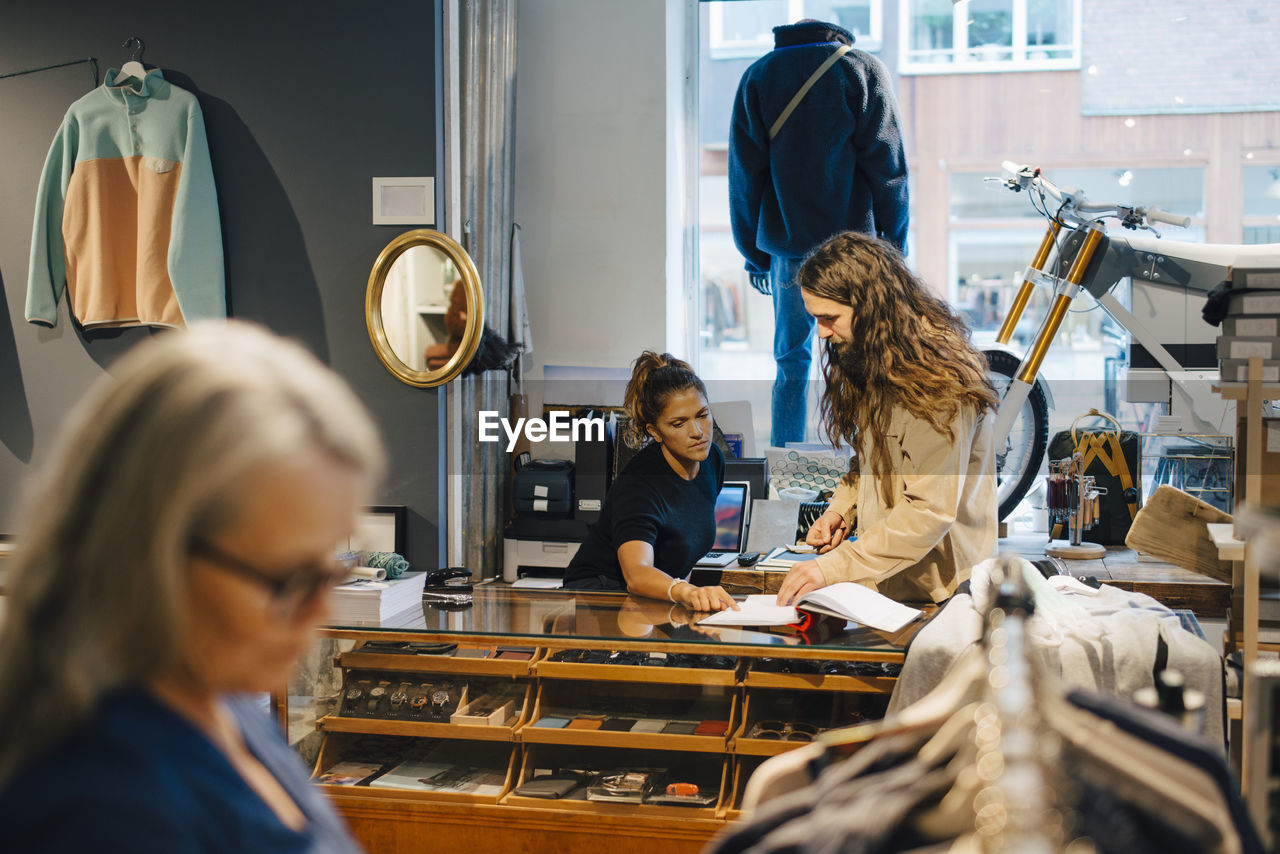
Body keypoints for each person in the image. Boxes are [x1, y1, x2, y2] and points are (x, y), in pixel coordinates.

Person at [0, 321, 385, 853]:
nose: (321, 609)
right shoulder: (98, 810)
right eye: (290, 580)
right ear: (153, 554)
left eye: (328, 572)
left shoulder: (216, 701)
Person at [775, 232, 998, 608]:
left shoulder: (937, 379)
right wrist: (842, 509)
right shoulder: (877, 353)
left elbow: (929, 509)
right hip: (893, 584)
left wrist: (833, 567)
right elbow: (875, 458)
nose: (822, 333)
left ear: (871, 306)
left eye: (830, 318)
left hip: (943, 594)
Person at [728, 19, 909, 448]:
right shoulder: (861, 70)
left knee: (791, 362)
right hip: (856, 255)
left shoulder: (758, 76)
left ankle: (787, 470)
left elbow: (743, 178)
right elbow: (890, 170)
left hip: (788, 249)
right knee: (857, 359)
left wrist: (753, 255)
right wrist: (895, 249)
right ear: (838, 37)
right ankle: (859, 464)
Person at [562, 352, 738, 612]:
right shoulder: (639, 485)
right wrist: (686, 593)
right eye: (679, 423)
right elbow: (637, 574)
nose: (698, 432)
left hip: (656, 596)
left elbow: (680, 549)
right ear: (654, 431)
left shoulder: (711, 460)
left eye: (702, 414)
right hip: (600, 596)